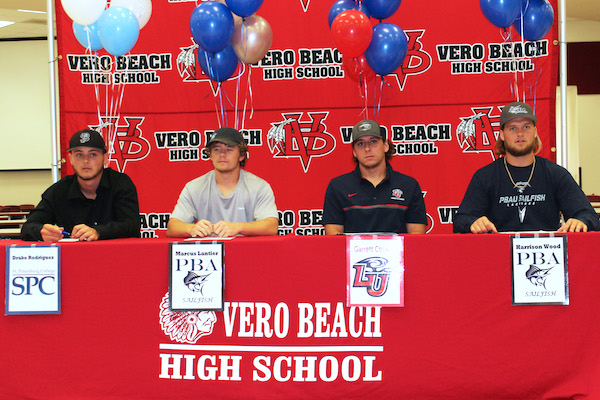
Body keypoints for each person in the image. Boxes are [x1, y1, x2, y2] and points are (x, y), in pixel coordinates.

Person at [453, 101, 600, 233]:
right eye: (512, 128)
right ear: (502, 135)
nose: (520, 133)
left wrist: (580, 221)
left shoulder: (555, 174)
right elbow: (461, 221)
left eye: (526, 127)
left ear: (535, 132)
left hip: (547, 256)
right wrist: (473, 222)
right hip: (497, 255)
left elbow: (589, 216)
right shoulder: (485, 176)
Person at [21, 129, 141, 242]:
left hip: (116, 257)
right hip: (73, 258)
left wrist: (98, 232)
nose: (85, 161)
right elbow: (28, 227)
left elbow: (132, 226)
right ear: (70, 158)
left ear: (105, 158)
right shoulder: (59, 190)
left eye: (93, 154)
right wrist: (41, 232)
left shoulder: (121, 184)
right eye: (79, 155)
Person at [166, 127, 278, 238]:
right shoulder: (194, 187)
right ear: (210, 155)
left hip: (247, 252)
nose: (222, 154)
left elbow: (271, 226)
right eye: (217, 149)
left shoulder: (259, 187)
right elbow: (172, 227)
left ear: (242, 155)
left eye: (229, 149)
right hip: (208, 254)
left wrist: (238, 227)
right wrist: (191, 229)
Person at [321, 120, 427, 234]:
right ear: (354, 152)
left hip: (397, 252)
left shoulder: (408, 185)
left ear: (385, 146)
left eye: (373, 142)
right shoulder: (338, 187)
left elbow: (417, 237)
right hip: (353, 252)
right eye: (360, 144)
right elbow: (334, 236)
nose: (367, 149)